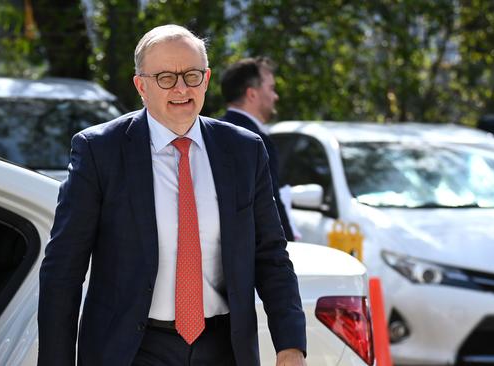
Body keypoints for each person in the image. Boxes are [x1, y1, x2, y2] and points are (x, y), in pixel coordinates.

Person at [38, 24, 307, 366]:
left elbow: (271, 256)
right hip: (132, 350)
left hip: (223, 349)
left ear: (206, 79)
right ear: (142, 86)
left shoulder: (243, 151)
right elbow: (64, 268)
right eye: (166, 77)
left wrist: (291, 345)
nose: (181, 88)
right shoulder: (100, 151)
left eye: (192, 75)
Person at [220, 57, 299, 241]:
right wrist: (288, 248)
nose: (275, 96)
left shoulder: (208, 134)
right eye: (271, 88)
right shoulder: (257, 142)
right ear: (252, 94)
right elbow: (270, 207)